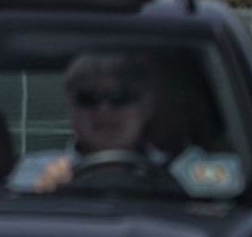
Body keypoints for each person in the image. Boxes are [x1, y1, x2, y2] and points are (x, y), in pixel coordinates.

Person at [33, 51, 169, 194]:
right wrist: (43, 197)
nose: (104, 109)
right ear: (72, 110)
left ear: (146, 107)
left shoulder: (179, 177)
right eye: (89, 99)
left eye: (119, 97)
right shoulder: (34, 171)